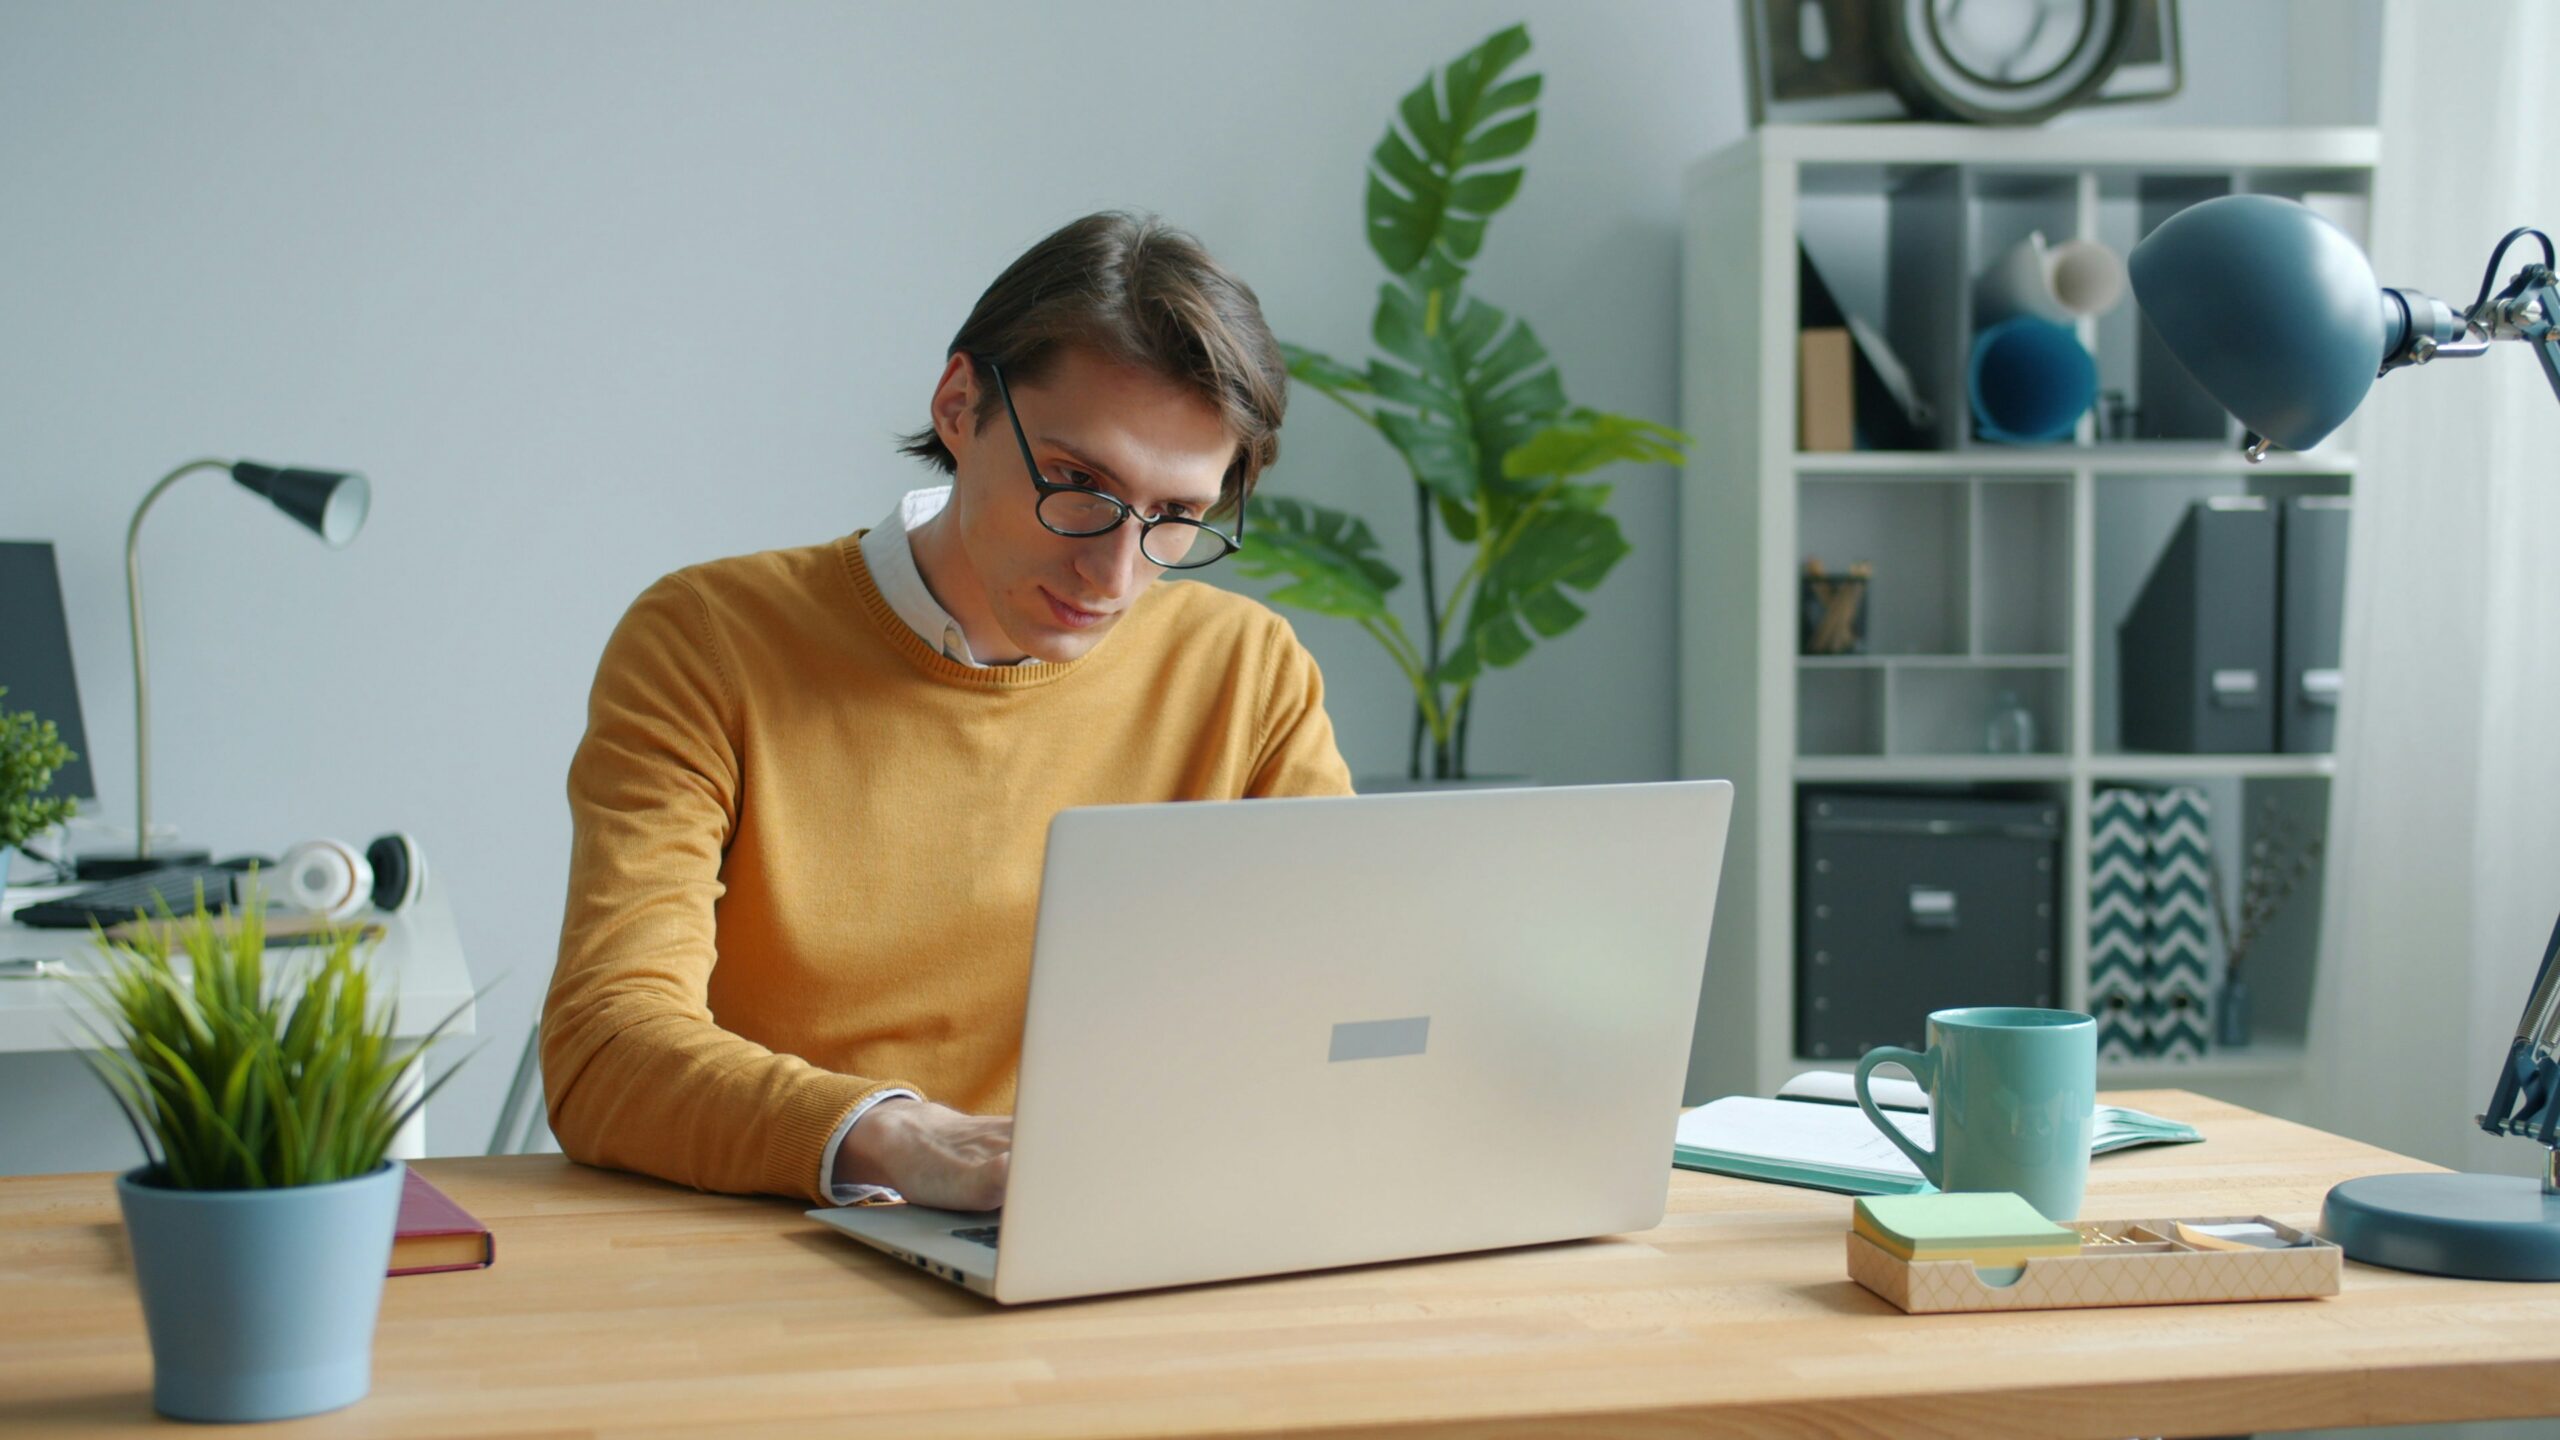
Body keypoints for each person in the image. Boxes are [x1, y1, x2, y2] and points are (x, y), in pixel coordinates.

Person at [541, 212, 1354, 1213]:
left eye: (1177, 516)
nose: (1113, 569)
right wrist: (895, 1138)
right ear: (960, 405)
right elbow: (605, 1050)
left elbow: (1342, 1009)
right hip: (785, 1247)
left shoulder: (1245, 671)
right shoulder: (709, 641)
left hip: (1109, 1237)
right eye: (1075, 482)